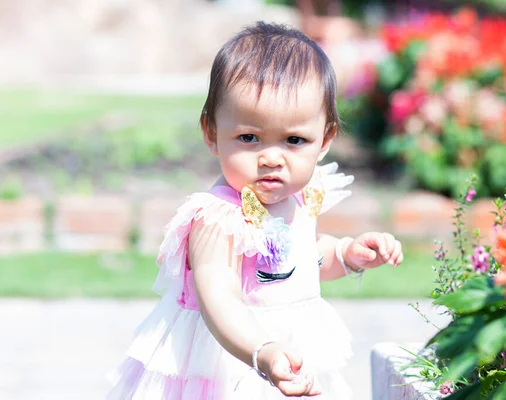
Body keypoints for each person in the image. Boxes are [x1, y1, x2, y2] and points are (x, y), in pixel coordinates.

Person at [107, 21, 403, 399]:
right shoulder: (218, 219)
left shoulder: (299, 197)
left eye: (295, 140)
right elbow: (220, 298)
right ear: (212, 133)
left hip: (291, 356)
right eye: (249, 138)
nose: (272, 158)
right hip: (229, 363)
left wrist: (346, 254)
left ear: (325, 140)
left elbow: (298, 263)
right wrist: (261, 351)